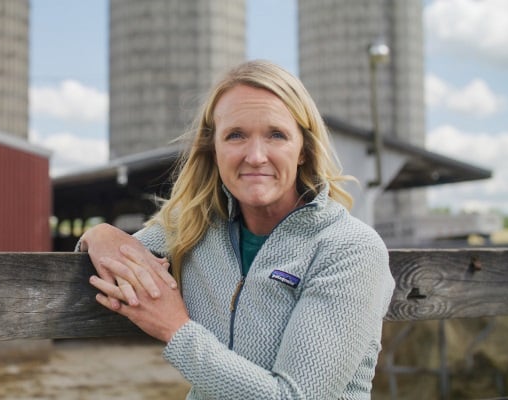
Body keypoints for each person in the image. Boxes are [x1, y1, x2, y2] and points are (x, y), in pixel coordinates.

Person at [77, 59, 395, 399]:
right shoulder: (194, 226)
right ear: (214, 150)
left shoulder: (349, 249)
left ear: (303, 149)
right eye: (236, 135)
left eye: (276, 135)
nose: (256, 156)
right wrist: (99, 235)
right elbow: (124, 251)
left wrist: (175, 328)